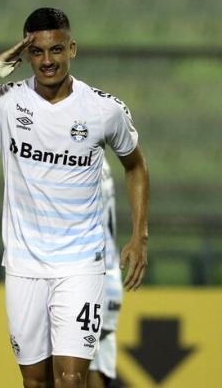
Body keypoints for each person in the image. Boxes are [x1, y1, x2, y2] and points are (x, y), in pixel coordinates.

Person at [0, 7, 149, 388]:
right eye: (39, 52)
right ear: (26, 54)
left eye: (56, 50)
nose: (48, 61)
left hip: (81, 261)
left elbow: (136, 166)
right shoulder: (5, 101)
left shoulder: (104, 110)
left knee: (72, 379)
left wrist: (139, 236)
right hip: (24, 262)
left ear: (72, 49)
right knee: (34, 382)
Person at [87, 158, 123, 388]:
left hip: (88, 277)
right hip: (109, 276)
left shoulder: (81, 160)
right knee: (95, 361)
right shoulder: (101, 161)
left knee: (65, 368)